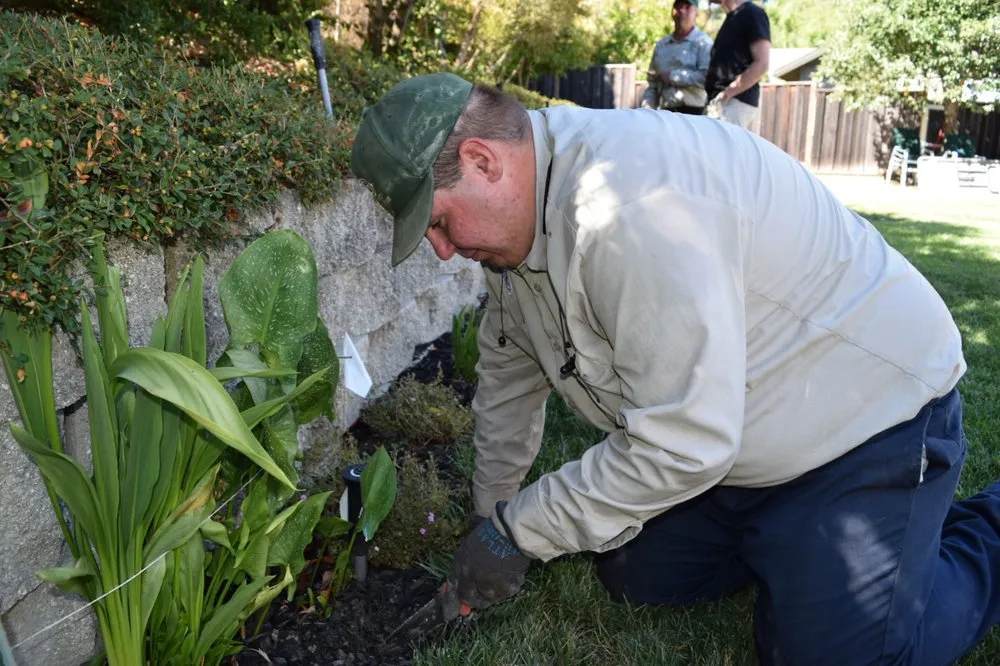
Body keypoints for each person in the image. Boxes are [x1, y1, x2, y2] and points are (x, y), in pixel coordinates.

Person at [350, 73, 1000, 665]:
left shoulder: (626, 212)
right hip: (742, 434)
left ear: (483, 162)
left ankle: (979, 528)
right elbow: (506, 389)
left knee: (829, 654)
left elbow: (684, 441)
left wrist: (522, 531)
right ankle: (790, 544)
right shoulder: (517, 237)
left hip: (867, 418)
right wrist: (490, 526)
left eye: (436, 221)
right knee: (634, 573)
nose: (440, 251)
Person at [704, 0, 771, 133]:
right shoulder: (732, 18)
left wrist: (727, 93)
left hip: (734, 103)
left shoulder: (751, 13)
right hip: (720, 103)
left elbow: (762, 64)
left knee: (724, 152)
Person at [639, 0, 713, 115]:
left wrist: (673, 76)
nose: (681, 11)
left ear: (696, 12)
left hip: (695, 112)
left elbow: (706, 78)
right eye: (678, 6)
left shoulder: (704, 43)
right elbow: (652, 83)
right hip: (666, 112)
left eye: (687, 7)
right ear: (672, 12)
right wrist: (646, 110)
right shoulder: (662, 45)